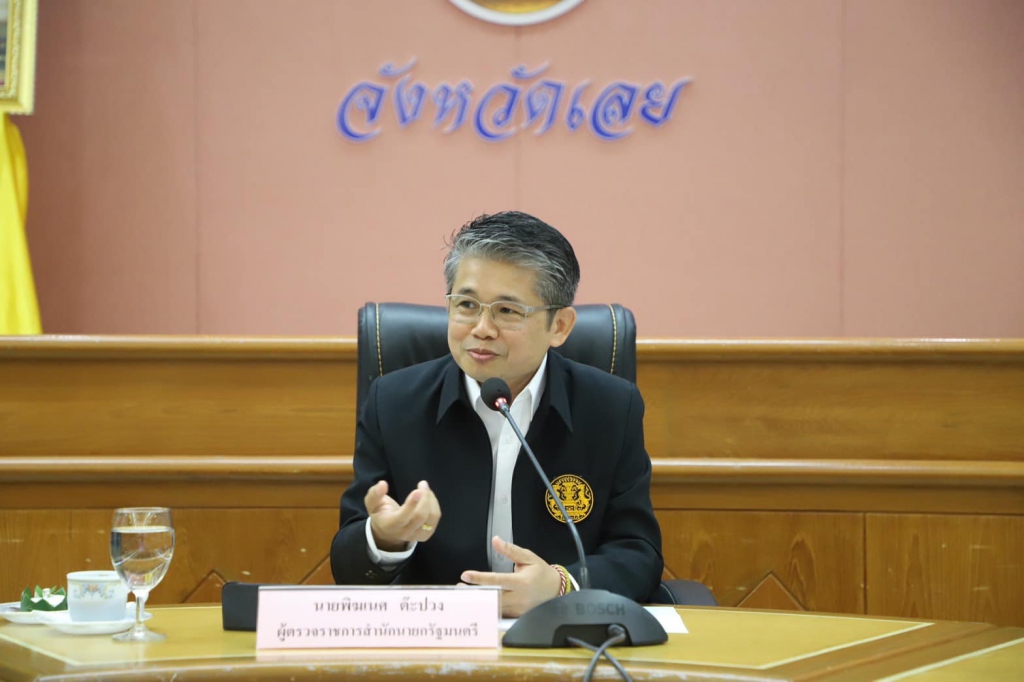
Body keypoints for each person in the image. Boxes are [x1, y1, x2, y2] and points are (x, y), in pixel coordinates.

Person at [330, 211, 662, 616]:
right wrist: (384, 539)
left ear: (559, 326)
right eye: (467, 305)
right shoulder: (394, 403)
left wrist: (562, 584)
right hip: (436, 632)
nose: (482, 328)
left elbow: (638, 552)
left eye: (507, 311)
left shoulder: (610, 407)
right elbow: (347, 565)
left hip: (560, 634)